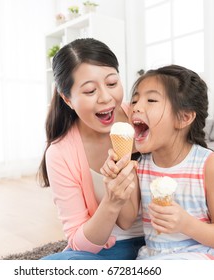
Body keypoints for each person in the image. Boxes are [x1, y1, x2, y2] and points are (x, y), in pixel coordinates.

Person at [102, 65, 214, 260]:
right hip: (154, 257)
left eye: (151, 100)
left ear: (183, 117)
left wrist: (187, 224)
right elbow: (126, 221)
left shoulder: (210, 166)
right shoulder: (140, 166)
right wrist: (117, 180)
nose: (135, 106)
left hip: (200, 255)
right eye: (135, 100)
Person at [38, 38, 145, 260]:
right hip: (110, 249)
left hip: (166, 240)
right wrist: (112, 201)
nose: (106, 98)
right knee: (51, 265)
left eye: (112, 83)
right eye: (89, 91)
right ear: (67, 98)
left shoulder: (142, 115)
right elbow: (79, 243)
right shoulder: (60, 153)